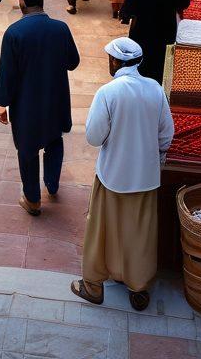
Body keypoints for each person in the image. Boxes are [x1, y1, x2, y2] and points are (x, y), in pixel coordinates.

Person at [71, 37, 174, 313]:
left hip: (112, 175)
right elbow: (166, 135)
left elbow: (94, 137)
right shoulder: (155, 89)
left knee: (102, 229)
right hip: (145, 177)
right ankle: (138, 288)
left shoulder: (109, 92)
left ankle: (93, 285)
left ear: (116, 62)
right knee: (139, 233)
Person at [0, 0, 80, 215]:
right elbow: (73, 63)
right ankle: (51, 184)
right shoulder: (60, 28)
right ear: (41, 0)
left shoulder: (14, 33)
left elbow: (7, 75)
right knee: (54, 139)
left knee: (27, 149)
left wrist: (1, 104)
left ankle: (32, 199)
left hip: (27, 105)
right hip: (55, 100)